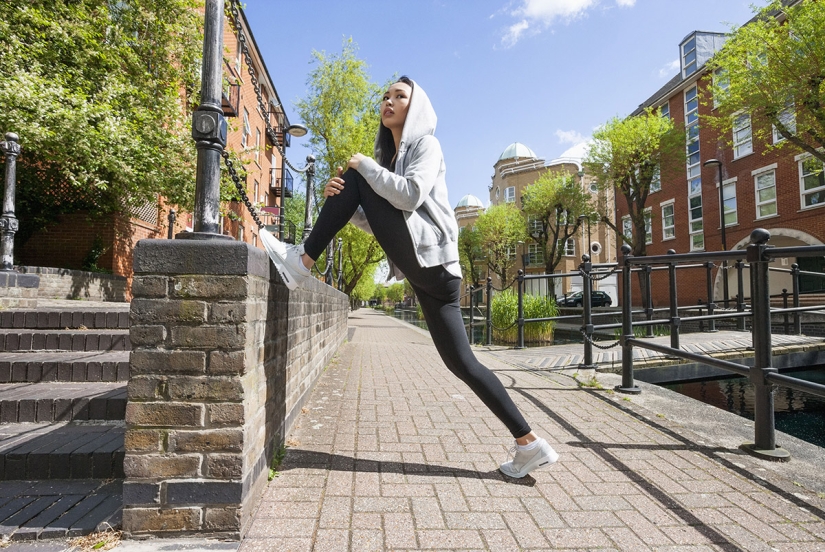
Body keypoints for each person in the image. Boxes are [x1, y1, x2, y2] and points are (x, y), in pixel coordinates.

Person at [260, 76, 558, 478]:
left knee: (358, 176)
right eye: (386, 96)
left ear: (416, 107)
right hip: (434, 275)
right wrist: (345, 200)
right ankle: (529, 443)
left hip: (432, 260)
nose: (389, 101)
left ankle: (302, 261)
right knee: (463, 363)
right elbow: (382, 220)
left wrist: (362, 171)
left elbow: (411, 194)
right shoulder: (393, 161)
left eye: (400, 96)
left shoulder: (427, 145)